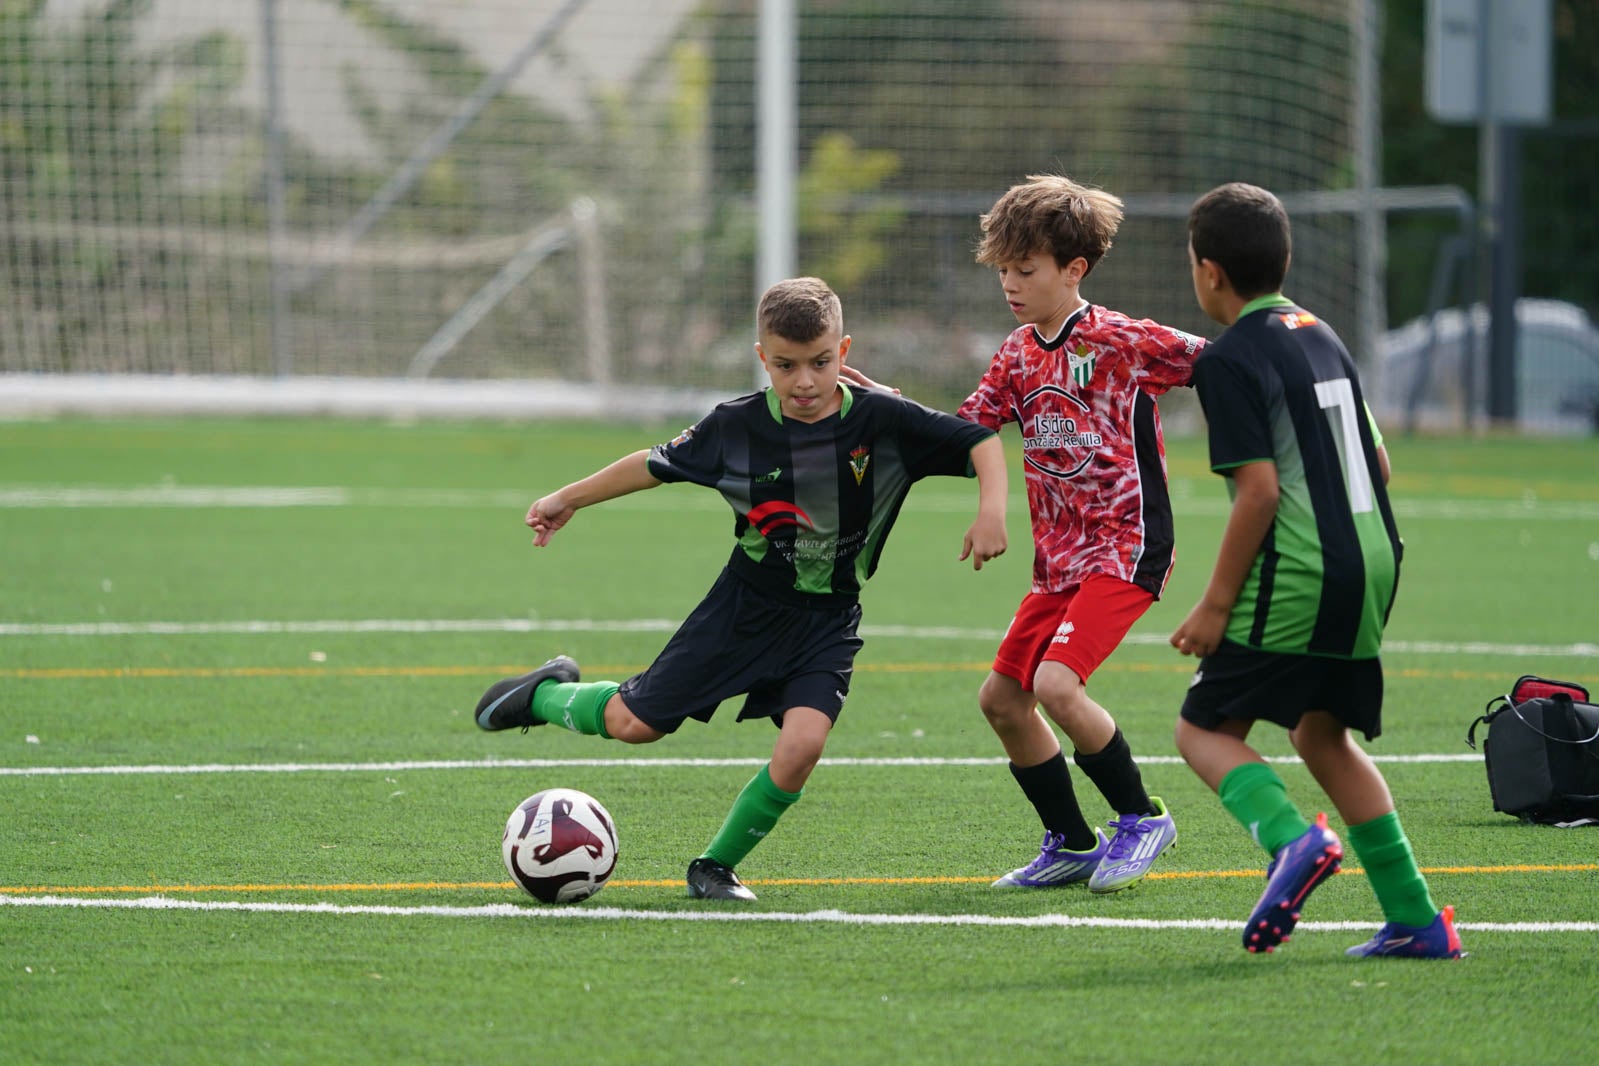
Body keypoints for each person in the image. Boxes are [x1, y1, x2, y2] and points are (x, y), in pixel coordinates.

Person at [474, 276, 1009, 901]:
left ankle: (715, 867)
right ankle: (544, 696)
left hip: (829, 621)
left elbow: (979, 440)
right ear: (763, 358)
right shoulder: (736, 426)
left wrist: (991, 510)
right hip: (743, 609)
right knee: (632, 725)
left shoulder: (884, 418)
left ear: (845, 350)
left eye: (820, 362)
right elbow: (652, 464)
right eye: (786, 366)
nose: (804, 382)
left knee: (803, 745)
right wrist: (566, 498)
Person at [851, 174, 1201, 892]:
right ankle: (1073, 842)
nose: (1009, 283)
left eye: (1025, 269)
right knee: (1002, 700)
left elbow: (1218, 362)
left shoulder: (1121, 339)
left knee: (1054, 684)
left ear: (1074, 269)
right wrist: (888, 405)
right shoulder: (1016, 352)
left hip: (1125, 546)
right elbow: (968, 427)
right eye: (1002, 269)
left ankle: (1141, 818)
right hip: (1059, 563)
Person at [1170, 181, 1463, 958]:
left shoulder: (1228, 359)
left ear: (1208, 273)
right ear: (1283, 259)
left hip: (1301, 571)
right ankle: (1417, 920)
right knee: (1320, 734)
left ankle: (1293, 842)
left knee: (1202, 730)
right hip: (1373, 560)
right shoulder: (1321, 334)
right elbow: (1381, 465)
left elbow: (1259, 491)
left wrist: (1212, 605)